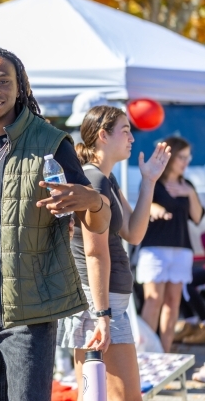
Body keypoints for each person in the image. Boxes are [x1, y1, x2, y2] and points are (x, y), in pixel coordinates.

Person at [0, 46, 111, 401]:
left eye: (4, 81)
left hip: (28, 311)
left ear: (20, 87)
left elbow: (97, 222)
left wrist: (94, 201)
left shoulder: (50, 143)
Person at [57, 106, 171, 401]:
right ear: (103, 136)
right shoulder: (93, 181)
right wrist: (102, 314)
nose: (132, 138)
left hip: (107, 303)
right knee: (118, 396)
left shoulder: (106, 179)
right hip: (99, 302)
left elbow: (133, 232)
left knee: (99, 394)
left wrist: (149, 182)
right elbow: (94, 253)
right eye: (126, 130)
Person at [137, 136, 204, 352]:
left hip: (181, 249)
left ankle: (164, 353)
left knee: (173, 303)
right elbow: (143, 206)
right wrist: (155, 209)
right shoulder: (153, 180)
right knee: (153, 299)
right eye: (181, 157)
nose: (185, 162)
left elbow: (197, 217)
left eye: (188, 157)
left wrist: (190, 193)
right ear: (171, 157)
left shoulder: (188, 185)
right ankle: (146, 355)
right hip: (154, 248)